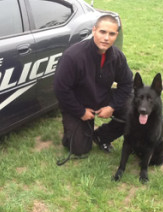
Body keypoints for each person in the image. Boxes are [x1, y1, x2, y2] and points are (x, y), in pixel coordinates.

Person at [54, 15, 133, 156]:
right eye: (102, 32)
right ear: (94, 30)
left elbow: (127, 84)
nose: (106, 38)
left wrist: (112, 107)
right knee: (79, 149)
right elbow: (61, 89)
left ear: (116, 35)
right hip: (78, 102)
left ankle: (102, 136)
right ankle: (74, 132)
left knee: (133, 110)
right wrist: (81, 112)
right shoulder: (73, 56)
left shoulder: (118, 56)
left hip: (103, 98)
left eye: (112, 34)